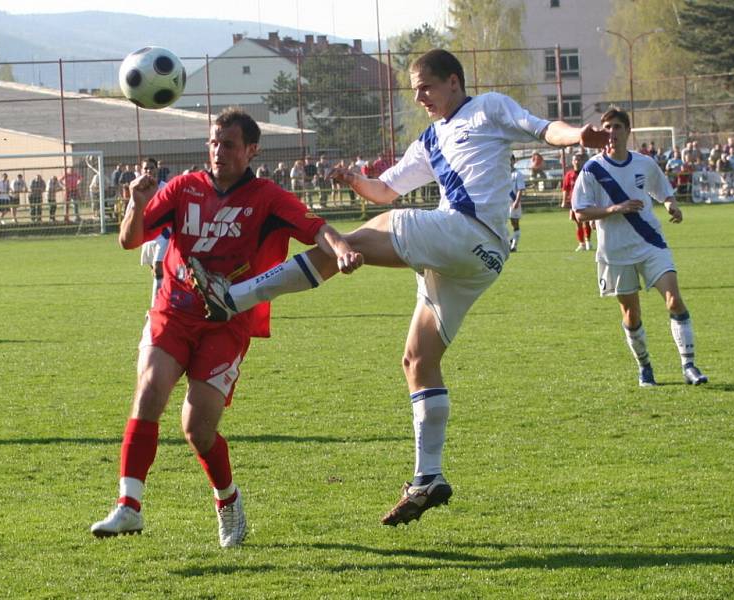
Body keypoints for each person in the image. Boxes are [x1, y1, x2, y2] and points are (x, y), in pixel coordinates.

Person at [187, 49, 609, 527]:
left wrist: (579, 136)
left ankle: (236, 296)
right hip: (476, 261)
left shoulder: (487, 107)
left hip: (471, 234)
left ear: (454, 81)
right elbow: (386, 189)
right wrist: (355, 180)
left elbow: (543, 129)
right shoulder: (431, 140)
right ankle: (428, 476)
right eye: (415, 90)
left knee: (355, 238)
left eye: (426, 87)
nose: (420, 97)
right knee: (418, 360)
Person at [89, 107, 362, 547]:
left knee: (198, 428)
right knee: (148, 392)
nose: (218, 152)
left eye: (229, 144)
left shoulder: (267, 196)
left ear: (251, 149)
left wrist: (343, 249)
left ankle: (228, 499)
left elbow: (317, 228)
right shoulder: (183, 188)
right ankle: (129, 506)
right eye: (214, 143)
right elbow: (129, 239)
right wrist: (137, 204)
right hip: (172, 312)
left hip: (225, 324)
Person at [571, 107, 708, 388]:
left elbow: (662, 189)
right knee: (631, 315)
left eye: (617, 127)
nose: (612, 132)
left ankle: (689, 365)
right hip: (615, 251)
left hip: (650, 242)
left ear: (628, 131)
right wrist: (614, 208)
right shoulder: (592, 169)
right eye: (607, 127)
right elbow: (580, 212)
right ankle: (645, 367)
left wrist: (671, 203)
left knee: (674, 300)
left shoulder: (644, 163)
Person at [137, 158, 170, 306]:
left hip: (164, 234)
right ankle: (166, 299)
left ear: (157, 169)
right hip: (147, 236)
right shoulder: (137, 191)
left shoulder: (166, 188)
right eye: (146, 169)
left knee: (158, 268)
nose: (148, 171)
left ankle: (155, 308)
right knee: (156, 273)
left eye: (151, 168)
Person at [561, 151, 591, 251]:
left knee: (587, 222)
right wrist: (564, 201)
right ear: (572, 161)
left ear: (582, 161)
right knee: (577, 223)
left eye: (579, 159)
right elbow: (565, 189)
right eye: (575, 160)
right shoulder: (569, 175)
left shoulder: (585, 173)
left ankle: (588, 241)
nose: (577, 162)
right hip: (574, 202)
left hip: (586, 201)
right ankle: (581, 243)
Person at [508, 154, 526, 252]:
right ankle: (508, 241)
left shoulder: (517, 174)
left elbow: (520, 189)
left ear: (514, 161)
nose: (509, 162)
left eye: (510, 160)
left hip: (513, 202)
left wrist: (516, 202)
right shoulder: (502, 174)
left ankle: (514, 245)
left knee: (514, 223)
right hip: (503, 203)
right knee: (501, 223)